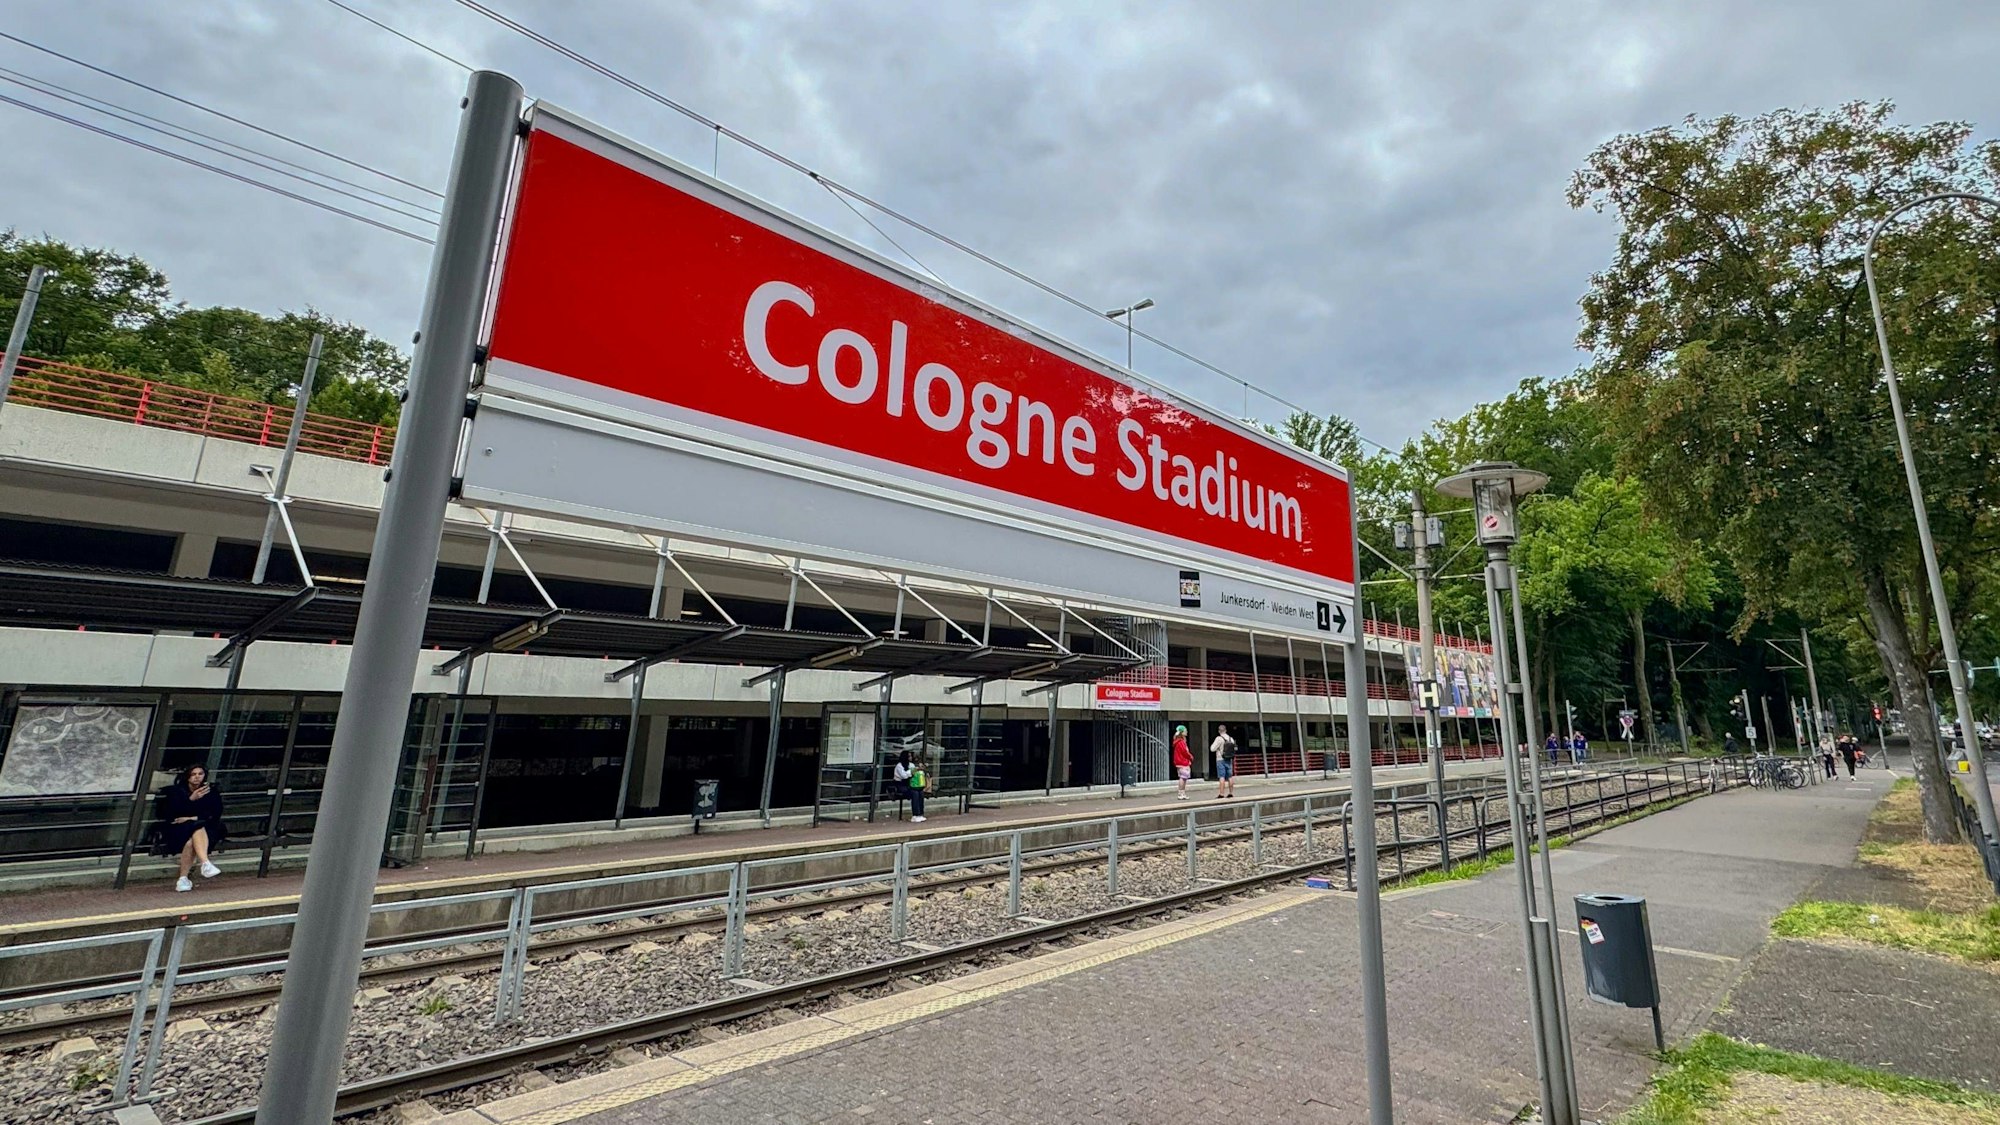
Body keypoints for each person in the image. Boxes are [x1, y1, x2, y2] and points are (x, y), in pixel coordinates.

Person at [154, 765, 226, 892]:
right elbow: (172, 814)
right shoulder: (177, 791)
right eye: (194, 774)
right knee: (195, 831)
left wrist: (192, 818)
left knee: (191, 841)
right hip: (180, 829)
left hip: (207, 828)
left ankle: (183, 879)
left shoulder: (210, 791)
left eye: (200, 774)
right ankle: (205, 863)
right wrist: (190, 799)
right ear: (187, 776)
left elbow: (215, 813)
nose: (197, 777)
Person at [893, 749, 926, 822]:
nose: (911, 758)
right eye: (909, 756)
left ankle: (920, 813)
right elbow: (904, 776)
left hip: (911, 784)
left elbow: (915, 774)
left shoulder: (911, 765)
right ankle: (915, 815)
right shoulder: (899, 766)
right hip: (901, 784)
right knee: (914, 793)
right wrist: (912, 771)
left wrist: (919, 770)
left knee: (920, 792)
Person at [1211, 724, 1238, 799]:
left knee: (1221, 777)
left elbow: (1212, 749)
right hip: (1229, 759)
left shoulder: (1219, 738)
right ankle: (1231, 793)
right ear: (1225, 730)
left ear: (1219, 731)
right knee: (1230, 776)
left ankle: (1221, 793)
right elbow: (1235, 748)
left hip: (1220, 759)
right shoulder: (1231, 739)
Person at [1171, 724, 1194, 800]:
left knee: (1183, 777)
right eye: (1185, 730)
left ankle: (1182, 793)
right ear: (1182, 732)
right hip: (1182, 762)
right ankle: (1181, 793)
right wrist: (1190, 756)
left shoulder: (1178, 741)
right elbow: (1184, 751)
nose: (1187, 732)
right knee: (1183, 777)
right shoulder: (1181, 742)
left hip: (1180, 762)